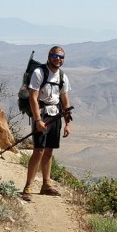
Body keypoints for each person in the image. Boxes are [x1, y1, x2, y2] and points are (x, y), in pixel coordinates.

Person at [21, 45, 72, 201]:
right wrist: (37, 120)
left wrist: (67, 123)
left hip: (55, 115)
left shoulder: (62, 76)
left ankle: (46, 184)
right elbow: (33, 98)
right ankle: (28, 186)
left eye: (61, 57)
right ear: (49, 56)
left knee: (49, 151)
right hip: (42, 115)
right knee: (39, 150)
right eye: (55, 56)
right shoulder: (39, 73)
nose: (58, 59)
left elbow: (65, 100)